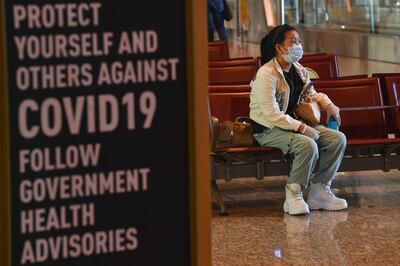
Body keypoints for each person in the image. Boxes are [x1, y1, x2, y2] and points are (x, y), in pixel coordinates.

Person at [249, 24, 347, 215]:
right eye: (293, 42)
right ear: (279, 47)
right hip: (267, 128)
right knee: (307, 145)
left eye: (299, 41)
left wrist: (329, 105)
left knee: (337, 139)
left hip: (291, 124)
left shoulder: (298, 69)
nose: (298, 46)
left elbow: (311, 92)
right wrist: (303, 128)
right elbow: (271, 114)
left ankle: (320, 190)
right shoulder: (266, 74)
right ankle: (293, 194)